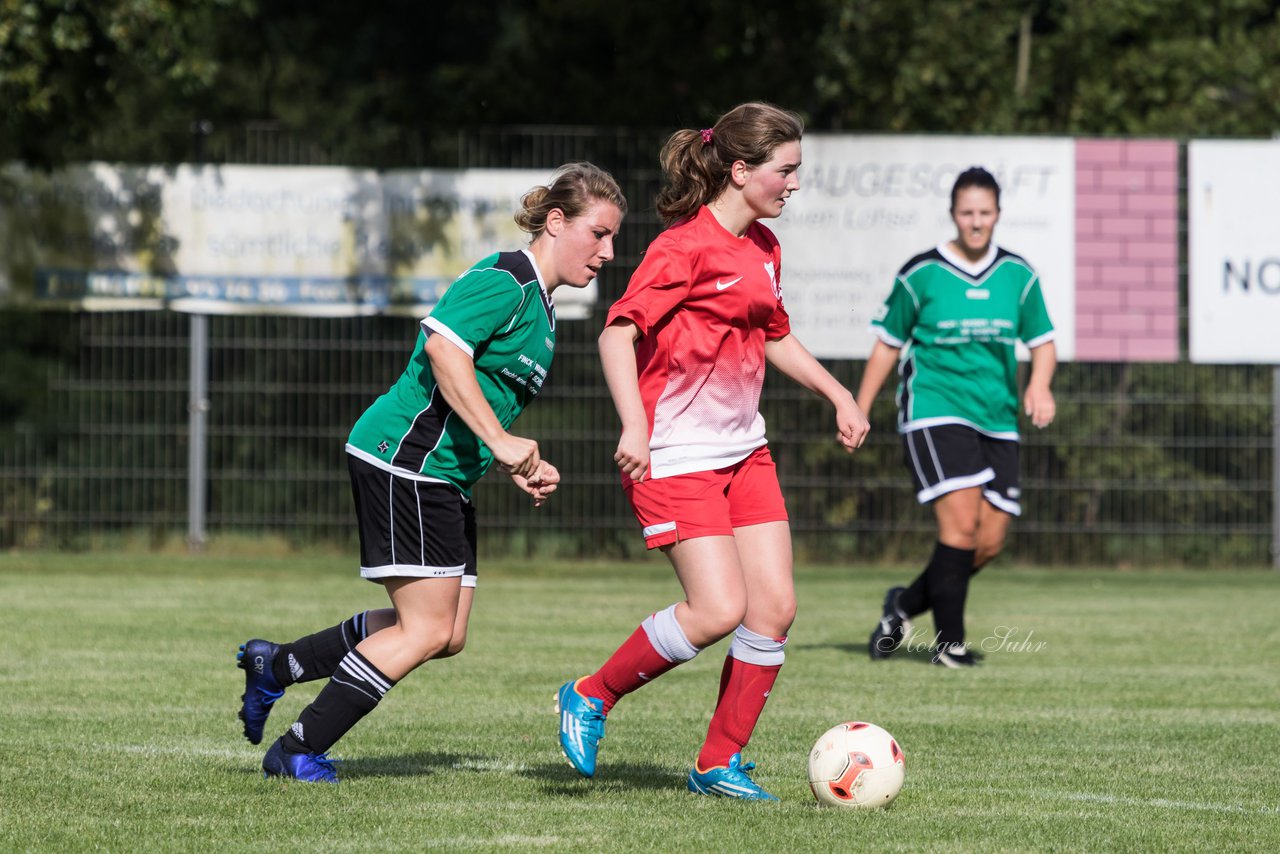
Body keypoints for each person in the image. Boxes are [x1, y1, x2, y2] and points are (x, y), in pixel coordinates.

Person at [235, 162, 627, 782]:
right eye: (599, 234)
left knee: (446, 634)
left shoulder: (545, 310)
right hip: (405, 460)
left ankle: (278, 666)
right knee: (422, 630)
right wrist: (499, 441)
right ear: (556, 222)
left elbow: (480, 396)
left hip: (443, 472)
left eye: (612, 239)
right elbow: (444, 349)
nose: (608, 252)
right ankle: (297, 748)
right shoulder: (509, 280)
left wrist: (514, 461)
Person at [555, 102, 870, 801]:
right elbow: (616, 333)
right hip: (674, 454)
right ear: (740, 169)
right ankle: (589, 694)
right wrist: (633, 426)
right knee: (717, 608)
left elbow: (776, 334)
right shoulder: (682, 249)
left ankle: (716, 763)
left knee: (774, 609)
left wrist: (839, 395)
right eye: (785, 171)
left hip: (743, 453)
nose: (793, 184)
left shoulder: (764, 246)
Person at [859, 166, 1056, 669]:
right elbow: (887, 345)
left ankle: (902, 606)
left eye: (984, 213)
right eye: (966, 212)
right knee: (961, 524)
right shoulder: (921, 273)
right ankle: (950, 645)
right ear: (953, 214)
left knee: (987, 542)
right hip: (934, 408)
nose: (975, 222)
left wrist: (1039, 384)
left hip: (998, 418)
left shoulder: (1018, 274)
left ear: (997, 215)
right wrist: (858, 408)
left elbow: (1043, 344)